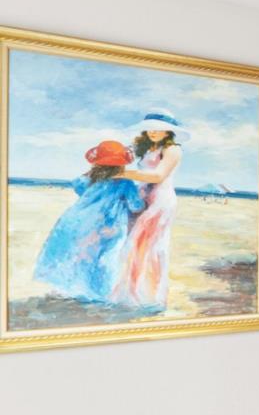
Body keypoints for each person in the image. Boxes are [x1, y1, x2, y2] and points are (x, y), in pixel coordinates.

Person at [33, 140, 147, 303]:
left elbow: (77, 185)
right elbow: (135, 206)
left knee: (77, 255)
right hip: (107, 225)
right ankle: (99, 296)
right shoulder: (125, 183)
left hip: (77, 220)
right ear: (122, 164)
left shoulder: (89, 179)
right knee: (103, 258)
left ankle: (70, 291)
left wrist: (92, 173)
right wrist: (146, 203)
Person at [113, 109, 189, 311]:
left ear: (168, 131)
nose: (153, 132)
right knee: (135, 245)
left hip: (160, 200)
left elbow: (158, 176)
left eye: (158, 128)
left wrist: (123, 173)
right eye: (149, 129)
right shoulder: (147, 148)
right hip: (142, 198)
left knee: (152, 246)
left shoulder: (173, 149)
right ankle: (131, 294)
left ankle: (150, 298)